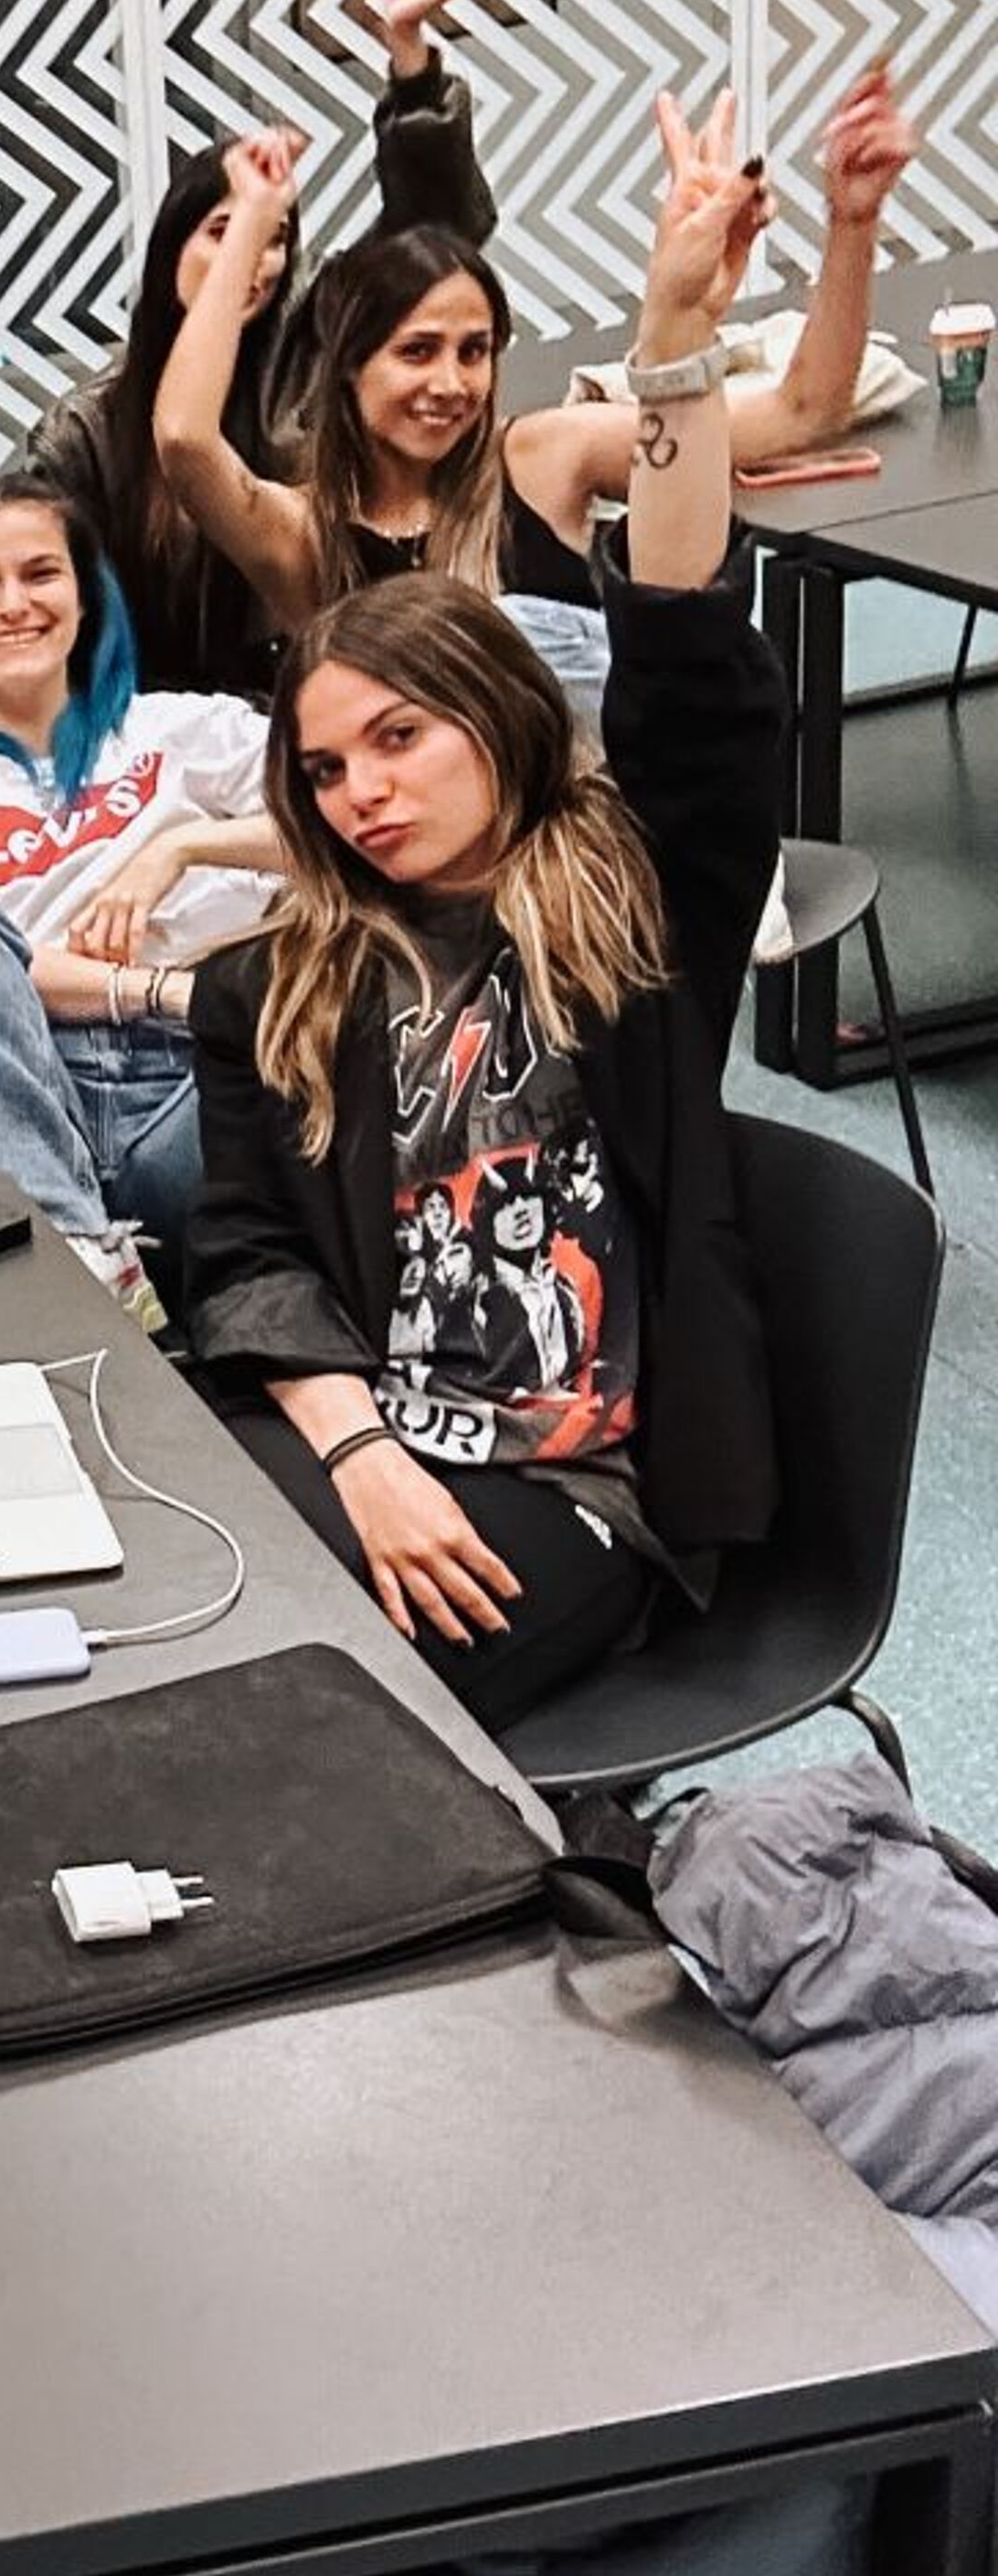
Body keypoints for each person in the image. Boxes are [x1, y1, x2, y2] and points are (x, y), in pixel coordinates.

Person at [183, 95, 782, 1724]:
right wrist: (361, 1447)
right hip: (363, 1441)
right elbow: (244, 1253)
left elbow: (687, 671)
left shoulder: (618, 918)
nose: (360, 788)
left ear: (499, 722)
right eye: (322, 766)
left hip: (569, 1487)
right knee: (152, 1613)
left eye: (399, 737)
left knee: (295, 1714)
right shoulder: (274, 988)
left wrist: (669, 346)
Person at [152, 66, 910, 647]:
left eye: (474, 351)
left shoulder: (547, 457)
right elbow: (186, 438)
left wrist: (852, 221)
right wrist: (253, 218)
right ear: (348, 365)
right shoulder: (303, 537)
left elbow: (805, 411)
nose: (449, 384)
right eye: (417, 352)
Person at [8, 0, 522, 695]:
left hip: (326, 693)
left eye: (275, 237)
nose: (256, 261)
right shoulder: (90, 428)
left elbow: (432, 243)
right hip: (152, 723)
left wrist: (410, 58)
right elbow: (21, 564)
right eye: (227, 231)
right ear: (171, 246)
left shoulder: (315, 348)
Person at [0, 474, 282, 1328]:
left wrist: (181, 846)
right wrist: (151, 987)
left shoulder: (187, 730)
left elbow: (351, 828)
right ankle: (79, 1250)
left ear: (85, 595)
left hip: (204, 1083)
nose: (14, 604)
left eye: (41, 574)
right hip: (26, 1081)